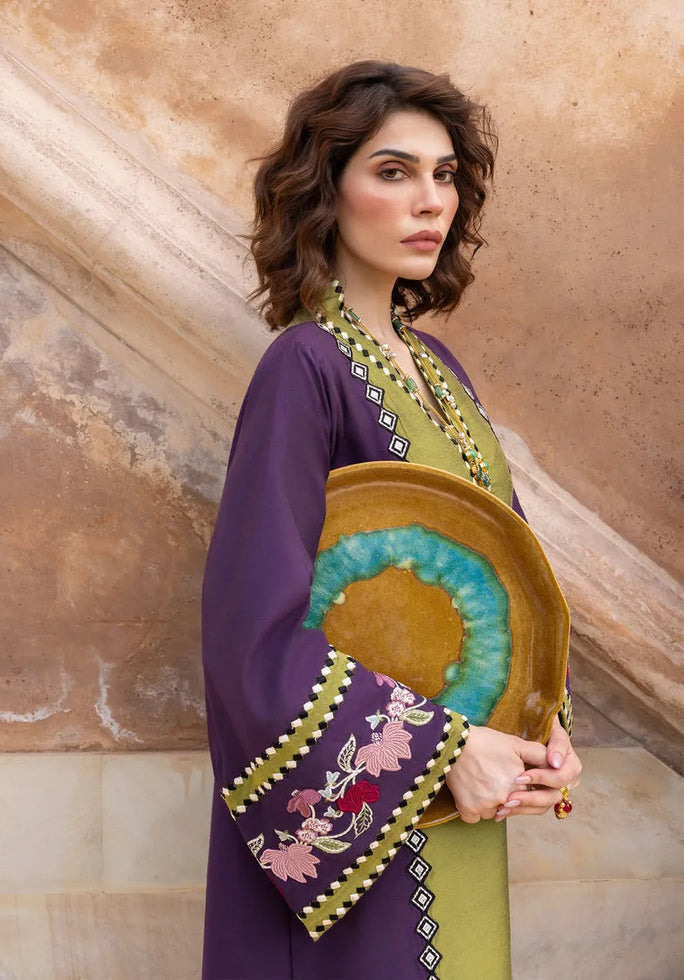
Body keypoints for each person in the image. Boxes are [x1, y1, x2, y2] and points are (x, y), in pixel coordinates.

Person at [201, 61, 582, 980]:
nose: (430, 201)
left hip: (463, 814)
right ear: (324, 189)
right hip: (366, 832)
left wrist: (542, 726)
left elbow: (505, 581)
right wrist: (443, 749)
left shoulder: (439, 368)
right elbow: (252, 634)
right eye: (393, 171)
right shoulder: (304, 369)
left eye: (444, 175)